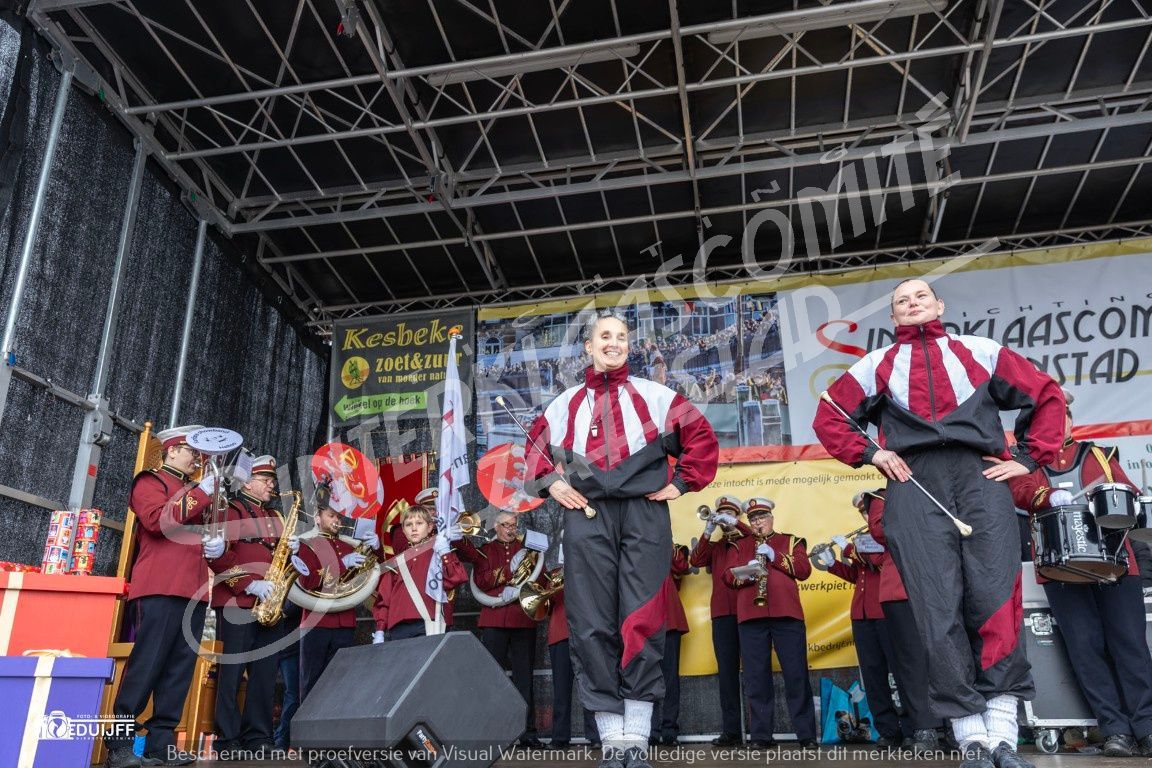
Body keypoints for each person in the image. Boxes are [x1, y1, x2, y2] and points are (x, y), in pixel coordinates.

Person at [813, 278, 1065, 768]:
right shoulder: (876, 364)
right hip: (914, 483)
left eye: (921, 297)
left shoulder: (981, 351)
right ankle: (970, 737)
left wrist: (1028, 458)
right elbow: (830, 415)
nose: (913, 304)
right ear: (893, 317)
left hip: (981, 478)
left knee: (996, 602)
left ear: (939, 305)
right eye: (902, 301)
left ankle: (1003, 734)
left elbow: (1046, 393)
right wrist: (872, 453)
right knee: (936, 609)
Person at [526, 309, 719, 768]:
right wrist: (552, 484)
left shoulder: (656, 396)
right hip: (586, 514)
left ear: (629, 346)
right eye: (605, 336)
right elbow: (533, 454)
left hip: (644, 513)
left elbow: (701, 439)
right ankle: (613, 744)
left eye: (621, 337)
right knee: (591, 623)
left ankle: (637, 740)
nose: (614, 343)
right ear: (588, 347)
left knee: (643, 619)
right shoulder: (564, 404)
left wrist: (682, 483)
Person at [1008, 390, 1152, 757]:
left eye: (1064, 416)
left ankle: (1147, 726)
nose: (1060, 424)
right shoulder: (1025, 463)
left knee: (1131, 647)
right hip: (1060, 569)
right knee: (1086, 650)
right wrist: (1046, 496)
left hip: (1116, 565)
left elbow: (1129, 495)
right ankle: (1115, 729)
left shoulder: (1100, 456)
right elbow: (1020, 492)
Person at [104, 425, 216, 768]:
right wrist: (200, 494)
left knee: (178, 671)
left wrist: (218, 545)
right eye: (191, 451)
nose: (197, 458)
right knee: (147, 664)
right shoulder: (150, 481)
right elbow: (156, 521)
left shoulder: (196, 492)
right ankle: (120, 744)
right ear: (171, 451)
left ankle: (161, 744)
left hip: (194, 591)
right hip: (160, 586)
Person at [204, 454, 287, 758]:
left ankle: (258, 736)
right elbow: (217, 557)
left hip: (270, 603)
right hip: (238, 602)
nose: (272, 486)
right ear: (248, 483)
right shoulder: (232, 511)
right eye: (266, 480)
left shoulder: (275, 517)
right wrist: (250, 584)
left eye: (272, 481)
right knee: (232, 672)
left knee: (265, 673)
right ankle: (227, 739)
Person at [723, 497, 817, 748]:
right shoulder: (739, 545)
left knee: (796, 674)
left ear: (771, 518)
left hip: (787, 615)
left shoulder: (791, 540)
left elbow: (804, 570)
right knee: (756, 678)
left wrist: (775, 556)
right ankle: (761, 736)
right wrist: (747, 573)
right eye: (753, 518)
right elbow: (727, 576)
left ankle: (807, 735)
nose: (757, 522)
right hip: (751, 617)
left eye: (762, 517)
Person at [815, 492, 902, 747]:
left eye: (868, 511)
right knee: (873, 676)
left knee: (900, 672)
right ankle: (888, 730)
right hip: (862, 614)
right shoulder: (864, 539)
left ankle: (911, 728)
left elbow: (878, 562)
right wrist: (832, 564)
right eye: (863, 512)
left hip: (886, 612)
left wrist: (849, 548)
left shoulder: (889, 534)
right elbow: (859, 576)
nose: (866, 516)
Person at [860, 488, 943, 752]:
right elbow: (881, 530)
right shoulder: (883, 496)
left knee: (948, 656)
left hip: (940, 580)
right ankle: (925, 727)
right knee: (912, 663)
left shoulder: (934, 487)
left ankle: (955, 725)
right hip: (902, 586)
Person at [453, 511, 545, 748]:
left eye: (513, 525)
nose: (510, 529)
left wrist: (525, 579)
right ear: (496, 526)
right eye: (505, 525)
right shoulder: (486, 550)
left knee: (524, 678)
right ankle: (492, 733)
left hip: (522, 618)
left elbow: (541, 579)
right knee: (493, 678)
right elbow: (481, 580)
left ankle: (528, 733)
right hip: (494, 619)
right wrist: (508, 573)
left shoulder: (528, 549)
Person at [295, 485, 379, 702]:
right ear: (317, 518)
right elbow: (309, 580)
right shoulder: (308, 545)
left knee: (341, 684)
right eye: (331, 515)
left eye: (339, 516)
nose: (336, 520)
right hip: (317, 622)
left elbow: (366, 578)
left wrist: (375, 549)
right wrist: (342, 564)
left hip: (345, 621)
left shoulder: (348, 546)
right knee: (311, 683)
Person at [688, 495, 750, 747]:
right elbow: (695, 560)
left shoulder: (748, 541)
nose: (724, 518)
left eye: (729, 513)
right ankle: (731, 731)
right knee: (727, 674)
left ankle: (759, 731)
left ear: (737, 516)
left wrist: (736, 523)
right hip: (723, 615)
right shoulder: (717, 547)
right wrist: (708, 530)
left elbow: (758, 538)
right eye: (721, 513)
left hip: (749, 613)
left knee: (754, 671)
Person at [371, 504, 466, 640]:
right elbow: (384, 599)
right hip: (398, 628)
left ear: (430, 527)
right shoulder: (397, 561)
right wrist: (380, 630)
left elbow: (457, 577)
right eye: (408, 525)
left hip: (428, 624)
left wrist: (445, 553)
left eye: (419, 523)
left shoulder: (438, 552)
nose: (414, 528)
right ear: (403, 530)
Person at [547, 546, 600, 749]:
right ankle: (560, 737)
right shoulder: (555, 574)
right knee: (561, 690)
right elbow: (549, 600)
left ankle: (595, 736)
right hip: (560, 633)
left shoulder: (591, 570)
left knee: (590, 687)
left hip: (585, 633)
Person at [650, 543, 690, 746]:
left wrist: (666, 540)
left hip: (668, 620)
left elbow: (681, 566)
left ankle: (669, 730)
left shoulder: (669, 546)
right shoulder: (634, 547)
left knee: (670, 679)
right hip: (644, 622)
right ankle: (650, 730)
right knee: (646, 678)